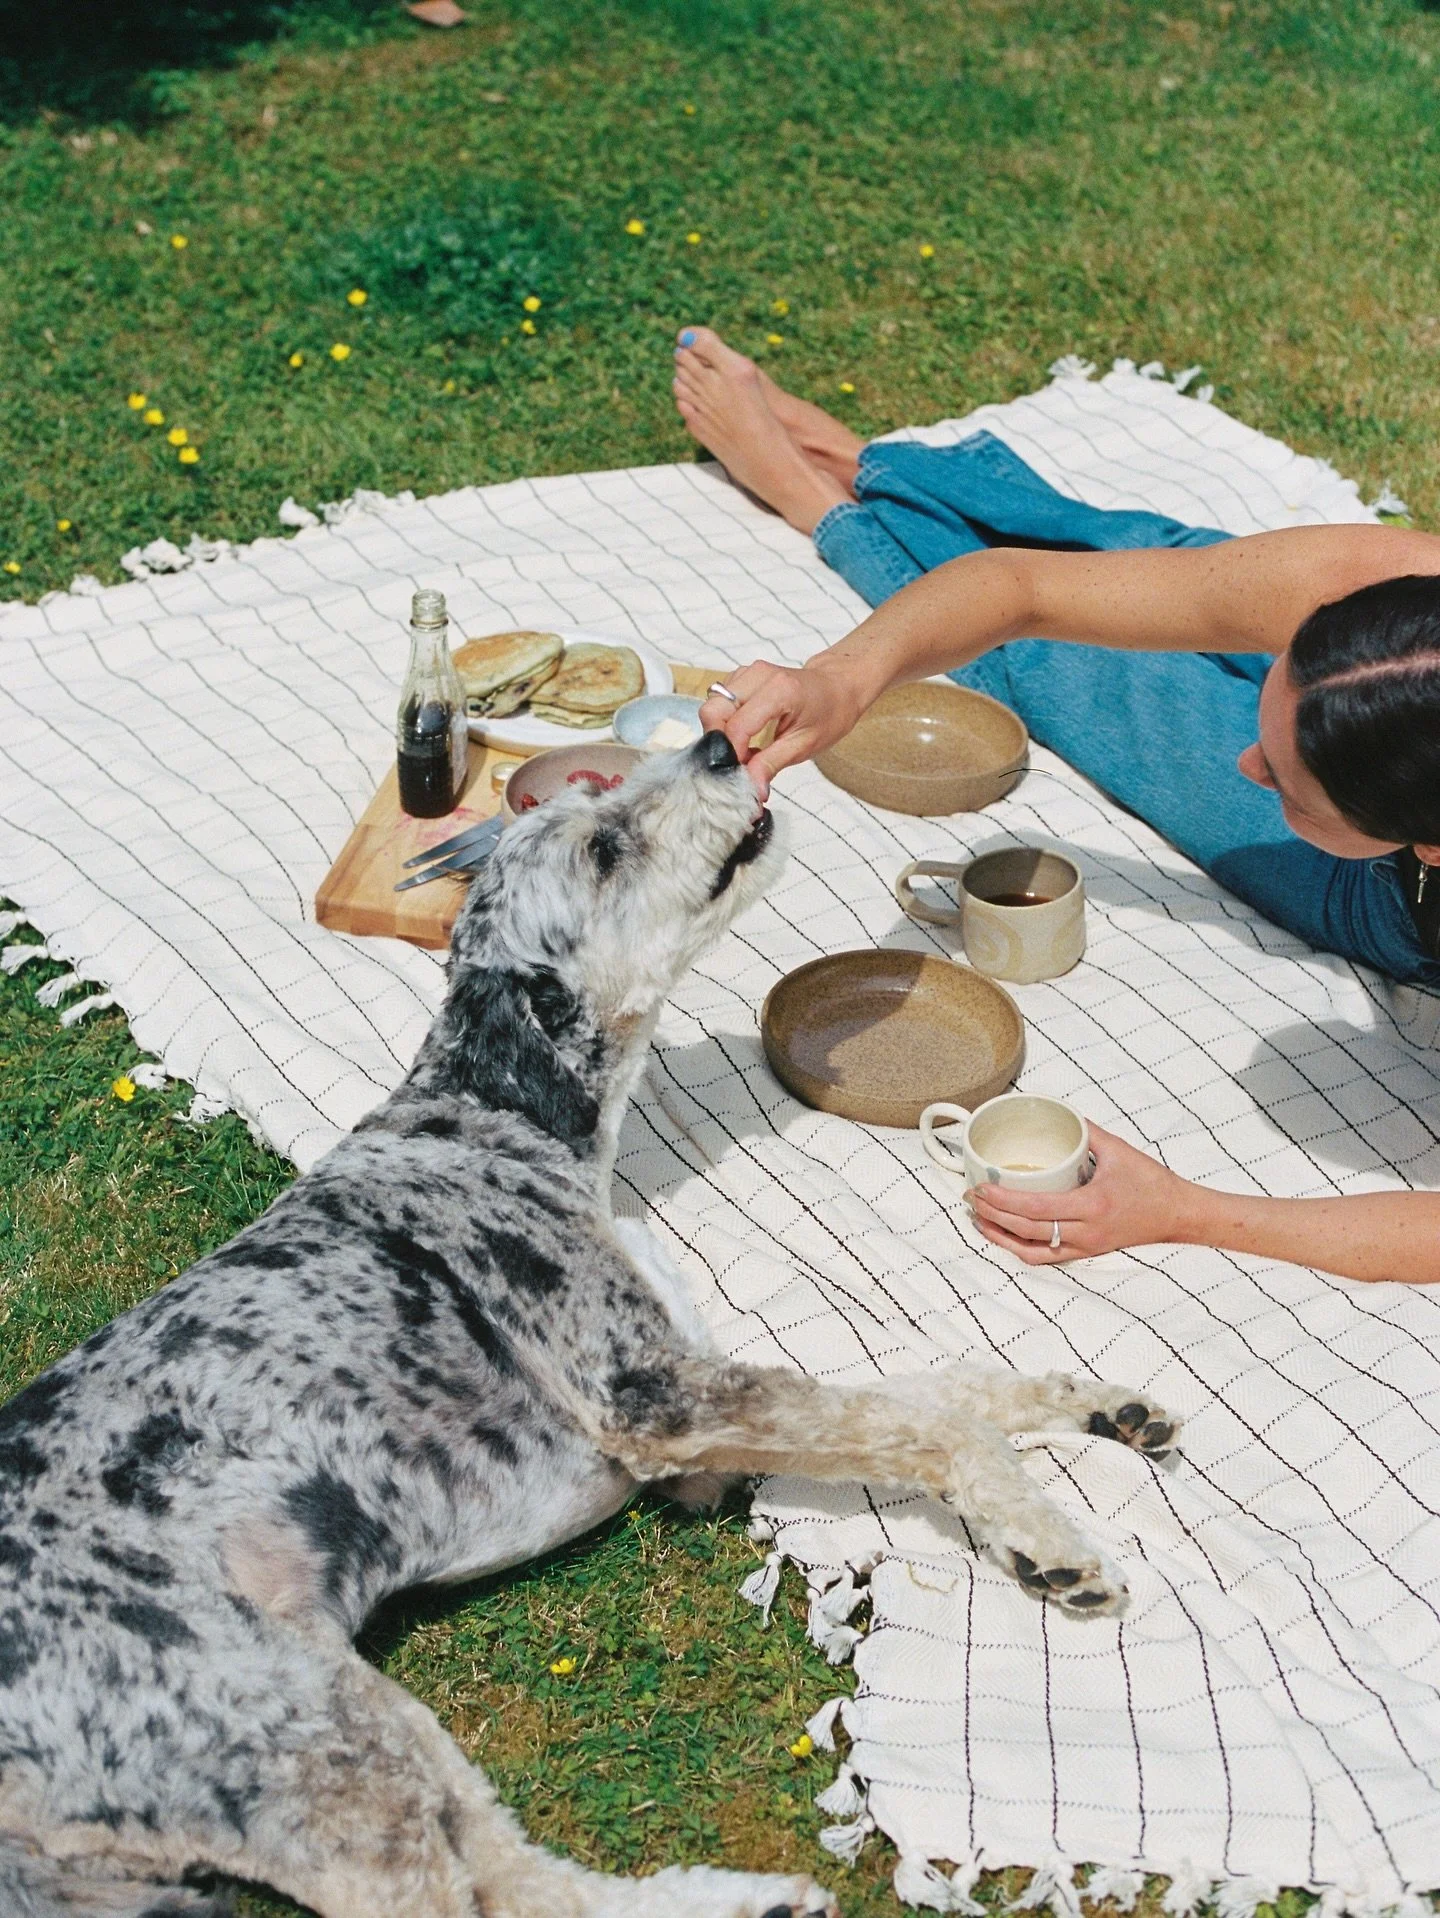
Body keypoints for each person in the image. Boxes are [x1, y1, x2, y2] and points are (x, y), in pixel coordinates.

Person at [670, 326, 1440, 1285]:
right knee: (1143, 556)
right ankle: (868, 462)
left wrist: (1190, 1213)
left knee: (1075, 679)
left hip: (1400, 896)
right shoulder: (1401, 607)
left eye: (1285, 782)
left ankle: (821, 501)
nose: (1247, 758)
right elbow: (1024, 586)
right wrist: (836, 680)